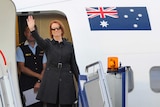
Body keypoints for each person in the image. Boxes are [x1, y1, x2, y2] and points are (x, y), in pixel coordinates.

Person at [26, 15, 80, 107]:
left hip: (66, 78)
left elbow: (73, 64)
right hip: (52, 78)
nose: (56, 31)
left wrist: (80, 81)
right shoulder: (48, 44)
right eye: (53, 29)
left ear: (62, 30)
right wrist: (32, 30)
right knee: (51, 104)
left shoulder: (69, 45)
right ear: (51, 31)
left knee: (66, 104)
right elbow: (39, 41)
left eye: (57, 28)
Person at [16, 26, 47, 107]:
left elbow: (45, 67)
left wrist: (39, 81)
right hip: (26, 84)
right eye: (29, 32)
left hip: (40, 84)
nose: (31, 34)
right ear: (25, 34)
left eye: (33, 32)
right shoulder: (20, 48)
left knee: (40, 105)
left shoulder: (42, 48)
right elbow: (22, 68)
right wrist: (39, 76)